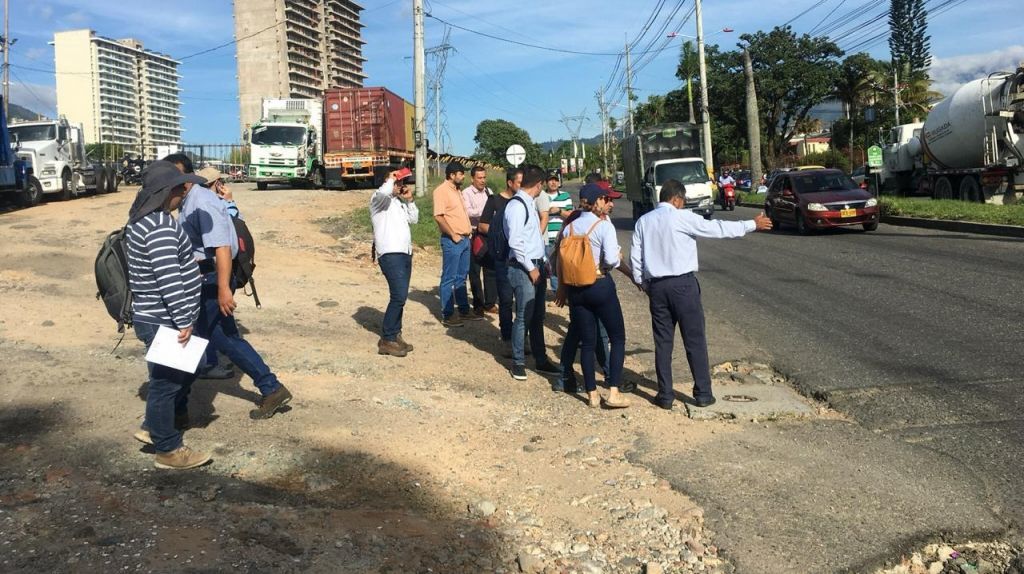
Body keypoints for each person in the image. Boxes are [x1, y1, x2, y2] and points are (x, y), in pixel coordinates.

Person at [163, 153, 293, 421]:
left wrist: (223, 288)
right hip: (204, 277)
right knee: (202, 336)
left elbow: (221, 247)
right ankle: (176, 407)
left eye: (174, 175)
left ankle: (270, 387)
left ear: (186, 176)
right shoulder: (190, 200)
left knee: (212, 337)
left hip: (210, 278)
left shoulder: (201, 202)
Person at [630, 179, 772, 410]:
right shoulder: (683, 217)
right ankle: (703, 393)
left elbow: (636, 258)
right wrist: (751, 224)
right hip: (683, 286)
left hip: (657, 287)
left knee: (663, 342)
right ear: (677, 199)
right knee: (694, 340)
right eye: (683, 201)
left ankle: (665, 395)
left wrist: (644, 284)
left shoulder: (643, 222)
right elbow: (717, 228)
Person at [125, 160, 211, 469]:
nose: (184, 192)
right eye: (179, 187)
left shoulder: (142, 219)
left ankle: (154, 427)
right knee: (166, 384)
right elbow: (169, 278)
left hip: (157, 316)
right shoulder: (159, 226)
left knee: (186, 370)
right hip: (165, 318)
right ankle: (168, 449)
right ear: (165, 192)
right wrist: (184, 320)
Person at [555, 183, 630, 408]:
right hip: (600, 285)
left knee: (587, 343)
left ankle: (592, 394)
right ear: (597, 201)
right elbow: (611, 261)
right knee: (617, 338)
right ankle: (614, 390)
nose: (608, 203)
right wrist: (617, 256)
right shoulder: (603, 226)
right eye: (605, 199)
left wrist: (562, 287)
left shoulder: (569, 227)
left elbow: (561, 259)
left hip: (576, 289)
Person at [504, 165, 560, 380]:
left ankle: (541, 359)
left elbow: (534, 238)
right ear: (538, 185)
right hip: (523, 268)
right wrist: (531, 267)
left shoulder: (528, 203)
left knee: (537, 317)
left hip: (536, 265)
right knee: (524, 317)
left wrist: (544, 262)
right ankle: (518, 362)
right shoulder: (517, 206)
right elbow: (516, 242)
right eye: (541, 186)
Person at [371, 168, 419, 357]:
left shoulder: (398, 202)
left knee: (402, 297)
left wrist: (410, 200)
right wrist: (391, 178)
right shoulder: (378, 200)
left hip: (404, 252)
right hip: (390, 254)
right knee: (398, 296)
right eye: (397, 181)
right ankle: (388, 338)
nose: (401, 184)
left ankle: (395, 334)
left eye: (401, 182)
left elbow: (414, 219)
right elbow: (383, 191)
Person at [433, 162, 480, 327]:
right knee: (449, 278)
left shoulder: (457, 191)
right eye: (461, 174)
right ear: (452, 175)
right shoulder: (441, 191)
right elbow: (439, 216)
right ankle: (448, 314)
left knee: (461, 277)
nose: (463, 176)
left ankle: (464, 310)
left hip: (465, 239)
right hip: (453, 241)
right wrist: (453, 234)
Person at [478, 168, 522, 344]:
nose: (522, 186)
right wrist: (502, 234)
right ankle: (506, 336)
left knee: (521, 301)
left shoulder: (522, 202)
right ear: (510, 183)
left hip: (520, 258)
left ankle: (520, 337)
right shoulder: (495, 201)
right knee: (505, 300)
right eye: (519, 182)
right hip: (502, 257)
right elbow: (482, 225)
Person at [462, 165, 497, 316]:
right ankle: (478, 304)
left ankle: (490, 303)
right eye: (480, 178)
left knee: (490, 270)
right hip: (474, 234)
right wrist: (484, 211)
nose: (483, 181)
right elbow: (467, 211)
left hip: (488, 235)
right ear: (472, 179)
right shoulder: (466, 193)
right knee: (474, 271)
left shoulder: (490, 192)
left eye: (484, 177)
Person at [542, 173, 573, 292]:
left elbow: (571, 215)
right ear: (546, 182)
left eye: (556, 180)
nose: (553, 183)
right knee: (551, 267)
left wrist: (559, 211)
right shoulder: (541, 196)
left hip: (562, 238)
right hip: (546, 237)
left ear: (559, 182)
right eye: (551, 180)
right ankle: (557, 293)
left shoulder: (565, 196)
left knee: (565, 266)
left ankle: (564, 292)